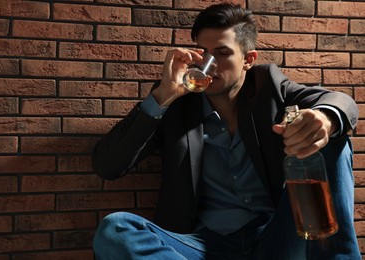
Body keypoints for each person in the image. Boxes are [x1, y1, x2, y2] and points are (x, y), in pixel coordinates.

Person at [92, 3, 360, 259]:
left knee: (331, 138)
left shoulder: (270, 86)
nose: (210, 64)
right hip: (202, 246)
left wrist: (325, 120)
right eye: (203, 54)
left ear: (248, 59)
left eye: (222, 53)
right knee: (115, 230)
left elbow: (340, 102)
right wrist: (162, 95)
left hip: (274, 239)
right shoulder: (176, 104)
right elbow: (108, 165)